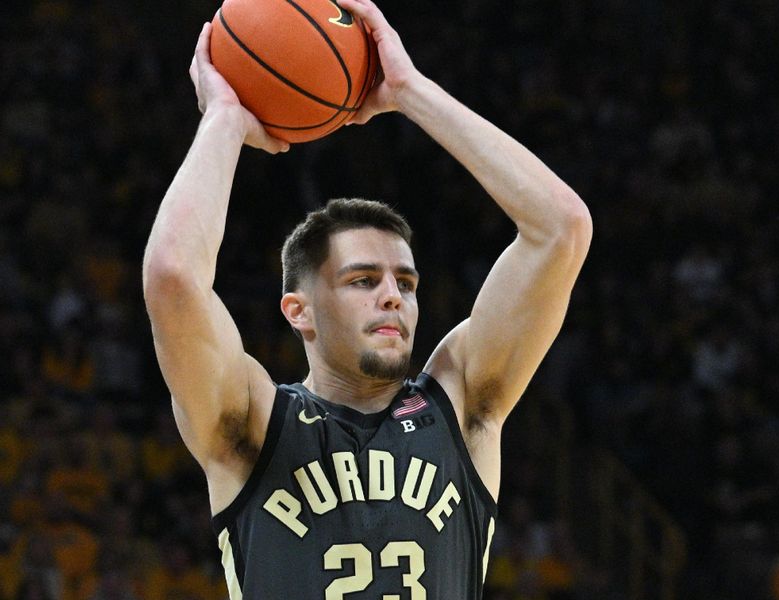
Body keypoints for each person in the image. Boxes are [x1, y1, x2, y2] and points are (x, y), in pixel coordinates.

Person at [142, 0, 592, 597]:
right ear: (297, 310)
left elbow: (561, 228)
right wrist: (225, 118)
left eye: (405, 283)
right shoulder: (251, 422)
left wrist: (410, 90)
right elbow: (173, 275)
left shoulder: (462, 403)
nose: (392, 298)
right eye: (362, 280)